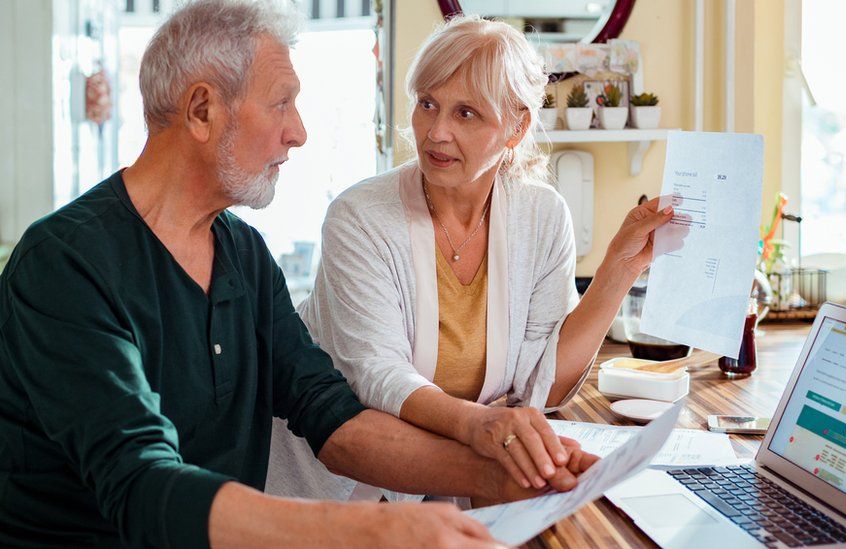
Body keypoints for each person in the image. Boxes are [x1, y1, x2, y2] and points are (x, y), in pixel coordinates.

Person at [0, 1, 597, 547]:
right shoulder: (65, 263)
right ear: (203, 110)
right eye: (281, 102)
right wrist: (370, 530)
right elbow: (140, 484)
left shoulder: (243, 255)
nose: (299, 131)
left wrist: (512, 470)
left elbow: (333, 420)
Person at [268, 15, 687, 501]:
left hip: (450, 486)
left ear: (516, 126)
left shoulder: (542, 216)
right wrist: (483, 426)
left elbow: (541, 384)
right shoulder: (359, 218)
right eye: (427, 104)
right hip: (336, 494)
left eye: (466, 113)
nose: (436, 132)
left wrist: (621, 266)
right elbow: (377, 374)